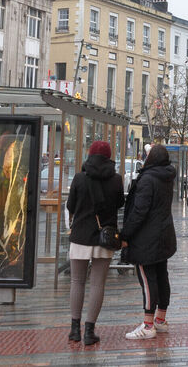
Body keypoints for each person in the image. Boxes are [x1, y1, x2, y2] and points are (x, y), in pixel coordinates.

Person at [65, 141, 124, 345]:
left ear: (89, 155)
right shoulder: (116, 180)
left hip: (80, 236)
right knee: (98, 283)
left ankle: (74, 330)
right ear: (109, 157)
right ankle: (89, 331)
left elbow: (70, 205)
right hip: (103, 238)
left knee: (76, 282)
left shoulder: (79, 178)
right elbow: (119, 204)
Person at [120, 145, 177, 340]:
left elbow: (139, 212)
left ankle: (148, 325)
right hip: (163, 235)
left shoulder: (148, 179)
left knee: (147, 279)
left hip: (146, 239)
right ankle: (160, 320)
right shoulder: (166, 176)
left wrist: (125, 235)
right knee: (161, 276)